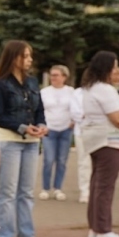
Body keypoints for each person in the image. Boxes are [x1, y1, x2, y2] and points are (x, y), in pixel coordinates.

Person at [0, 40, 49, 237]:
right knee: (8, 192)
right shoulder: (1, 84)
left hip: (32, 143)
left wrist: (42, 125)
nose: (29, 60)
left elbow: (39, 109)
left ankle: (26, 236)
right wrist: (23, 127)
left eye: (30, 56)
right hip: (9, 142)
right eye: (25, 56)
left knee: (27, 192)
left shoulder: (32, 81)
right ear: (13, 57)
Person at [79, 51, 119, 237]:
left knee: (97, 184)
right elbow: (117, 117)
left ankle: (95, 228)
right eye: (114, 66)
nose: (116, 70)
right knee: (105, 186)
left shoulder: (91, 87)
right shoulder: (104, 89)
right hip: (108, 140)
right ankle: (103, 230)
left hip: (97, 140)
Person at [39, 65, 75, 201]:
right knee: (48, 160)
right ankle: (45, 188)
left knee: (62, 160)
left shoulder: (71, 91)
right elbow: (39, 110)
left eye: (56, 75)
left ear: (64, 77)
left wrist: (74, 121)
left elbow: (76, 108)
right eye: (52, 75)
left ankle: (58, 188)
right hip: (49, 130)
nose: (53, 77)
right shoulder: (44, 92)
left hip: (65, 129)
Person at [70, 87, 91, 204]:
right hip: (82, 132)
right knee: (84, 162)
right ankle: (85, 191)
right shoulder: (78, 93)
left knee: (100, 164)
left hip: (102, 132)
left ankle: (97, 190)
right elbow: (75, 113)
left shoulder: (106, 90)